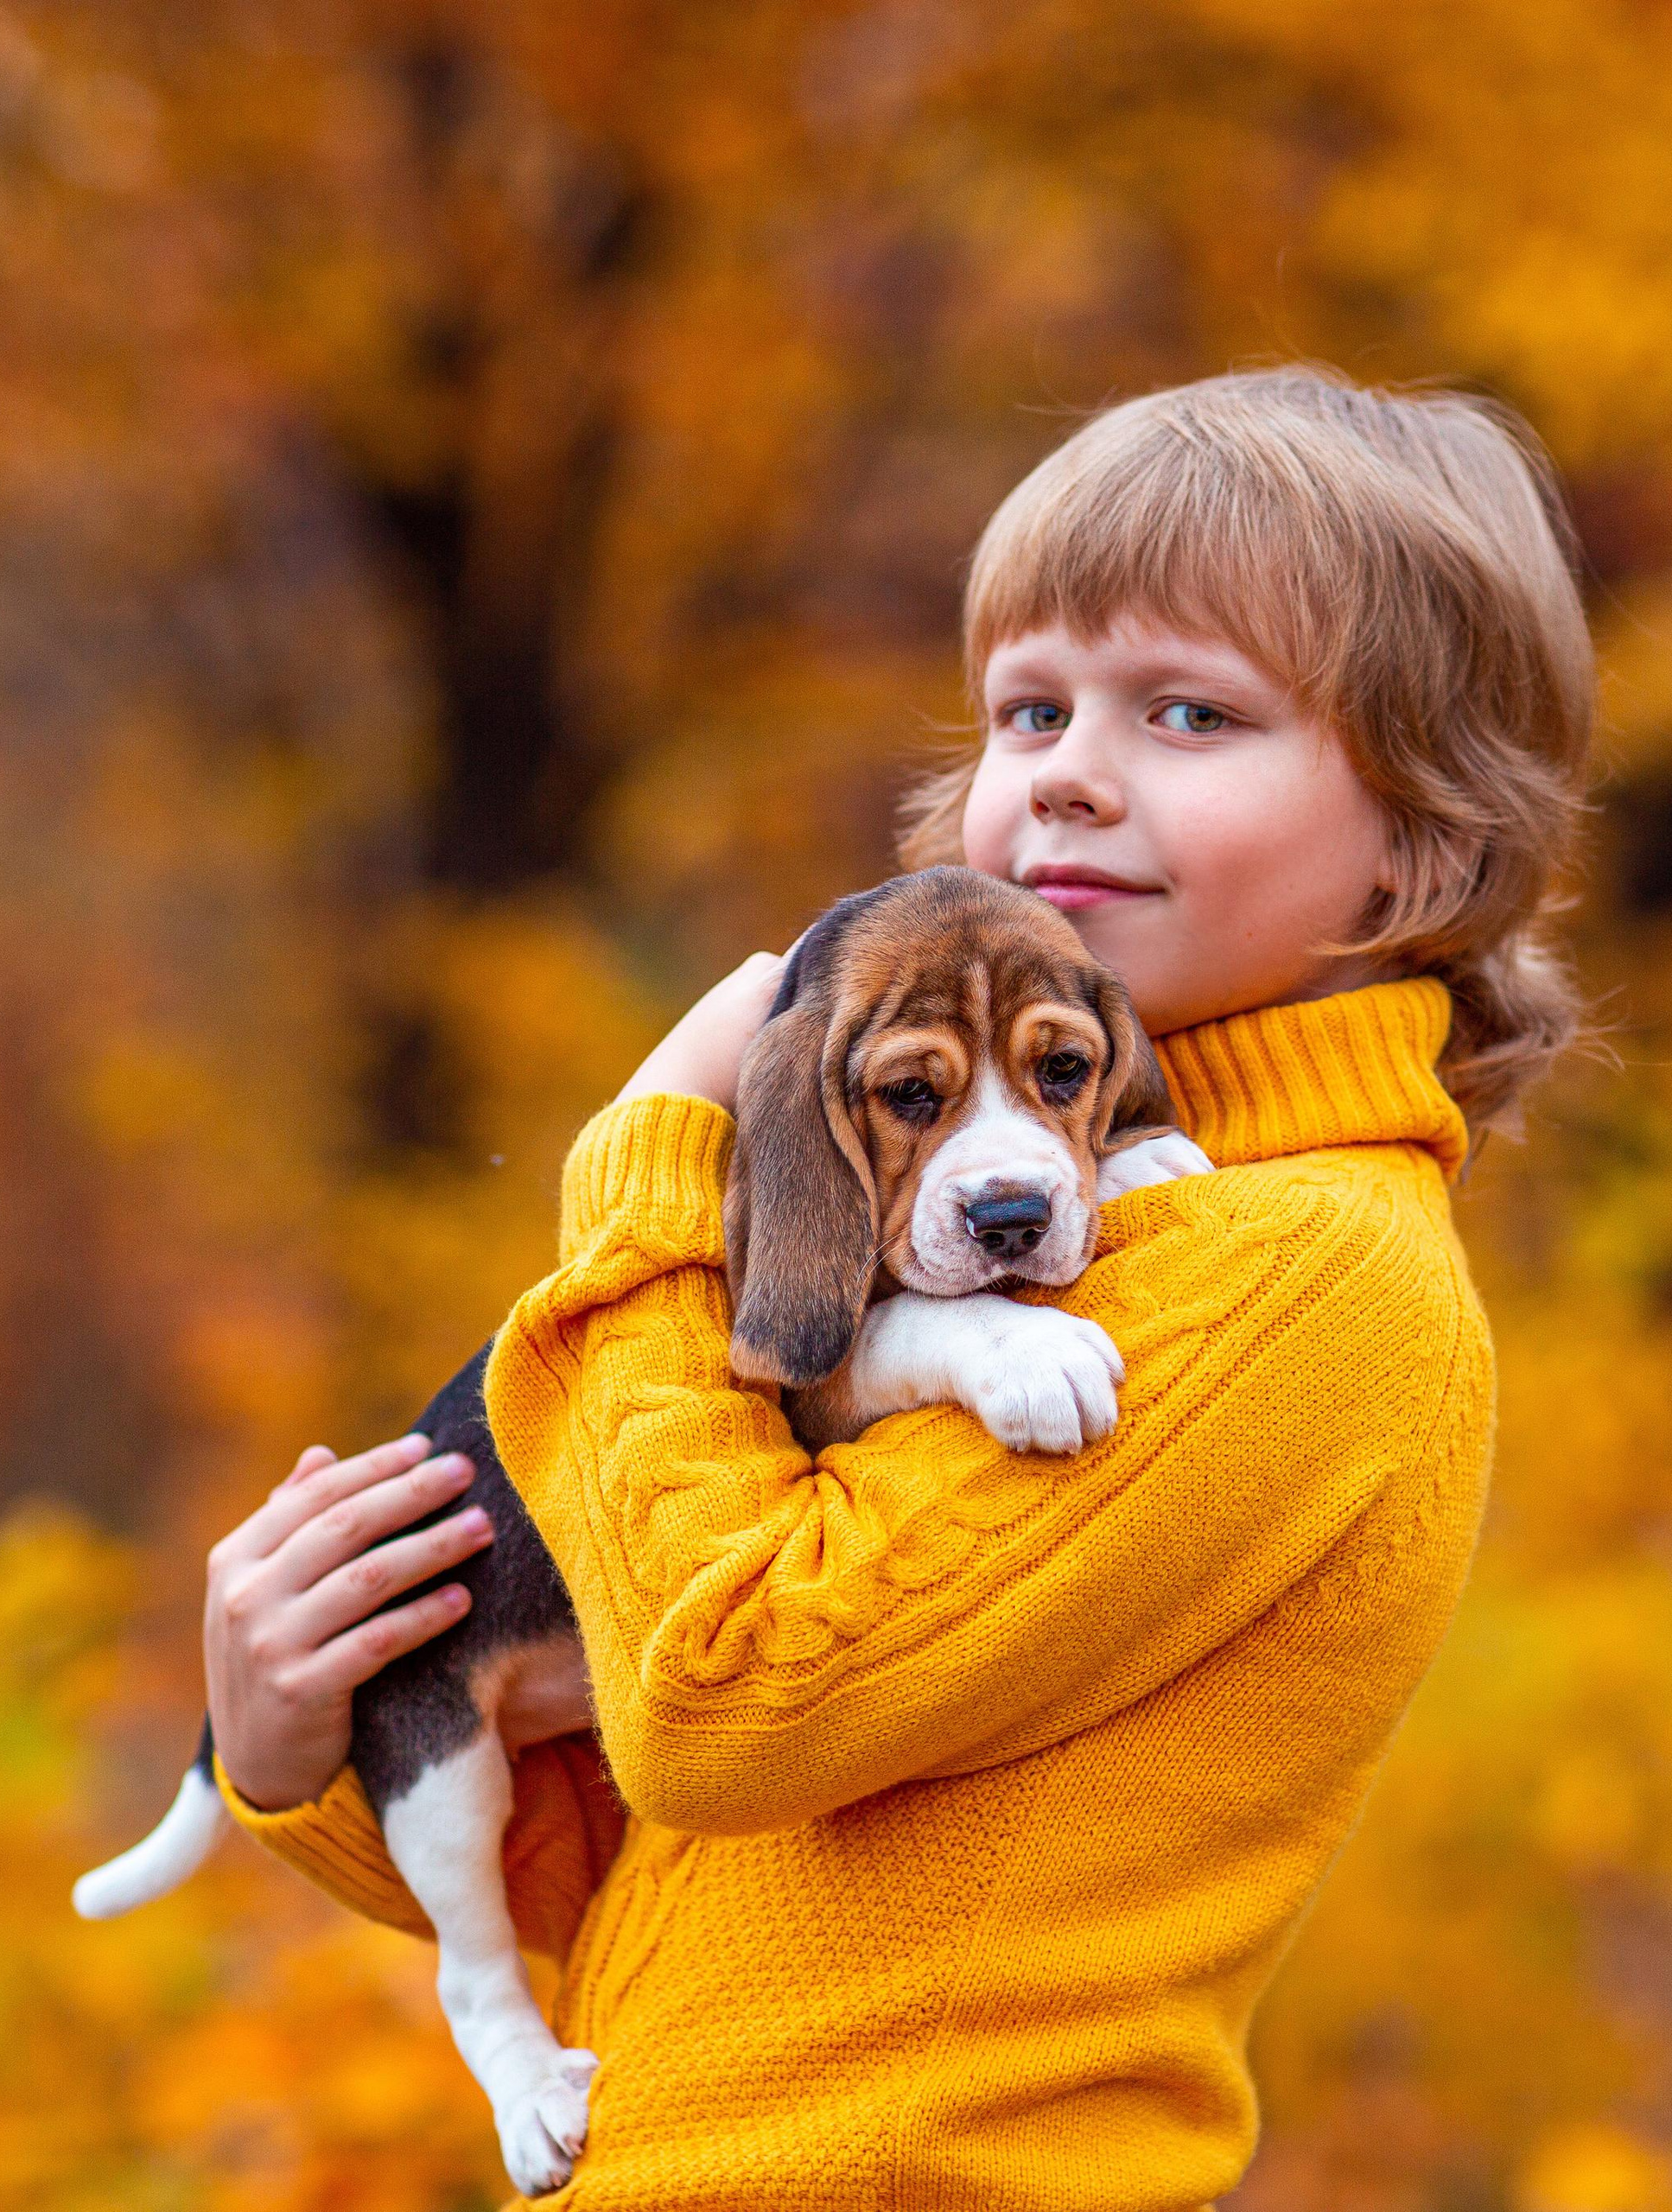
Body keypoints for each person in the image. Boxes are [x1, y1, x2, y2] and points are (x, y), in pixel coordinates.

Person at [199, 364, 1599, 2208]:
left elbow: (726, 1702)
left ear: (1422, 844)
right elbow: (652, 1839)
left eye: (1186, 710)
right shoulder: (988, 1215)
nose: (1070, 769)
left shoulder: (1288, 1266)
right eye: (1030, 706)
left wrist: (648, 1154)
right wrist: (300, 1737)